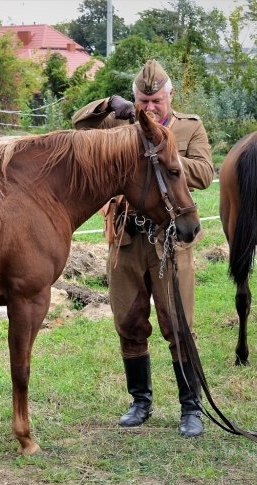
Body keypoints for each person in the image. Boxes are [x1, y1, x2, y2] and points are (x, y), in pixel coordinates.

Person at [72, 60, 214, 437]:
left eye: (156, 101)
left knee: (177, 323)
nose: (149, 107)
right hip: (127, 238)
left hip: (168, 239)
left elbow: (204, 172)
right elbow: (78, 125)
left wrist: (160, 153)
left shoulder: (188, 127)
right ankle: (140, 401)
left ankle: (191, 408)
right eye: (142, 101)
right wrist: (108, 104)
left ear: (170, 96)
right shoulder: (121, 124)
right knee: (128, 322)